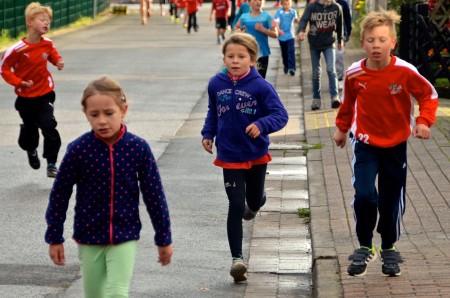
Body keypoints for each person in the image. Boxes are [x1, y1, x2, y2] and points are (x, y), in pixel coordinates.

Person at [45, 76, 173, 297]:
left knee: (117, 293)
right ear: (86, 114)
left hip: (125, 234)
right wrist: (54, 236)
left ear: (123, 109)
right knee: (94, 294)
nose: (102, 121)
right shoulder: (78, 150)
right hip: (89, 235)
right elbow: (59, 195)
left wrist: (164, 237)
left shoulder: (137, 148)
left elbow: (154, 195)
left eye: (109, 113)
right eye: (94, 115)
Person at [333, 10, 438, 277]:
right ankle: (366, 245)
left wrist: (423, 121)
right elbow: (347, 103)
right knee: (365, 194)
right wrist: (342, 129)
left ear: (392, 42)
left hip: (395, 147)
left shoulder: (405, 71)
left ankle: (389, 246)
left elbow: (428, 95)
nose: (376, 45)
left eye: (381, 39)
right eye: (370, 40)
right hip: (365, 144)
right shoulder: (355, 73)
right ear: (363, 42)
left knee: (390, 200)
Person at [201, 33, 288, 283]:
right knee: (236, 205)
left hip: (256, 154)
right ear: (224, 58)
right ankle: (237, 260)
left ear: (252, 59)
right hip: (228, 155)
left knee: (254, 200)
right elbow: (213, 112)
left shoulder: (261, 86)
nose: (235, 61)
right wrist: (208, 133)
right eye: (230, 56)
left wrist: (261, 124)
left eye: (241, 56)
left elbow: (280, 115)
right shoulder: (216, 83)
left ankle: (258, 201)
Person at [0, 2, 64, 178]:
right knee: (30, 130)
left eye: (49, 21)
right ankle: (31, 149)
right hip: (25, 97)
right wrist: (19, 82)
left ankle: (51, 163)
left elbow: (52, 54)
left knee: (49, 125)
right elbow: (4, 69)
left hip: (45, 92)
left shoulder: (48, 43)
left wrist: (57, 62)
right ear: (29, 22)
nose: (46, 24)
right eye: (42, 20)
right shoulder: (17, 49)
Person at [297, 0, 343, 110]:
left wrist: (340, 40)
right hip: (314, 43)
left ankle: (334, 97)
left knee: (331, 69)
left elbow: (340, 24)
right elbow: (303, 20)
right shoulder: (312, 6)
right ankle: (316, 99)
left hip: (329, 42)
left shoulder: (336, 7)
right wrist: (301, 31)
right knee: (316, 72)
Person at [234, 0, 278, 79]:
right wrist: (240, 32)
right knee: (248, 78)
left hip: (263, 53)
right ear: (249, 2)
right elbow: (237, 27)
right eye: (255, 0)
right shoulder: (244, 17)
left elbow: (275, 34)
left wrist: (263, 29)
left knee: (260, 78)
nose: (258, 2)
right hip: (248, 53)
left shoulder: (267, 16)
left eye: (260, 0)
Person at [273, 0, 298, 76]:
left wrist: (297, 20)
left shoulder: (293, 12)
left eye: (288, 4)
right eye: (285, 4)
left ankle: (292, 68)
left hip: (290, 35)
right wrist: (278, 30)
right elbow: (276, 22)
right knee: (284, 53)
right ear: (282, 5)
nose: (287, 6)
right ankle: (286, 65)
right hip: (282, 36)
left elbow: (296, 19)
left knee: (291, 50)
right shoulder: (279, 12)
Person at [336, 0, 352, 82]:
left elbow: (348, 18)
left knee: (339, 55)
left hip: (341, 34)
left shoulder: (343, 3)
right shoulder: (323, 3)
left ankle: (339, 78)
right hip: (327, 35)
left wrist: (348, 32)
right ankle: (333, 78)